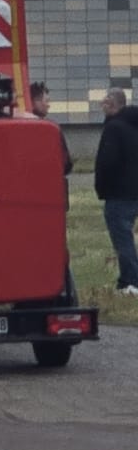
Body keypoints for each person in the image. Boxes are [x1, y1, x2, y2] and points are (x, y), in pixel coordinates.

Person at [94, 88, 138, 297]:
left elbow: (108, 162)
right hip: (134, 190)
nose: (102, 106)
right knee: (126, 235)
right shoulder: (133, 124)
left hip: (119, 193)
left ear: (112, 104)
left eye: (104, 102)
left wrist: (102, 187)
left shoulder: (114, 128)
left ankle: (130, 282)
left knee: (122, 238)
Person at [25, 82, 73, 175]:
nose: (48, 105)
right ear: (35, 102)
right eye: (46, 101)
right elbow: (66, 163)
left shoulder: (19, 127)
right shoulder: (50, 129)